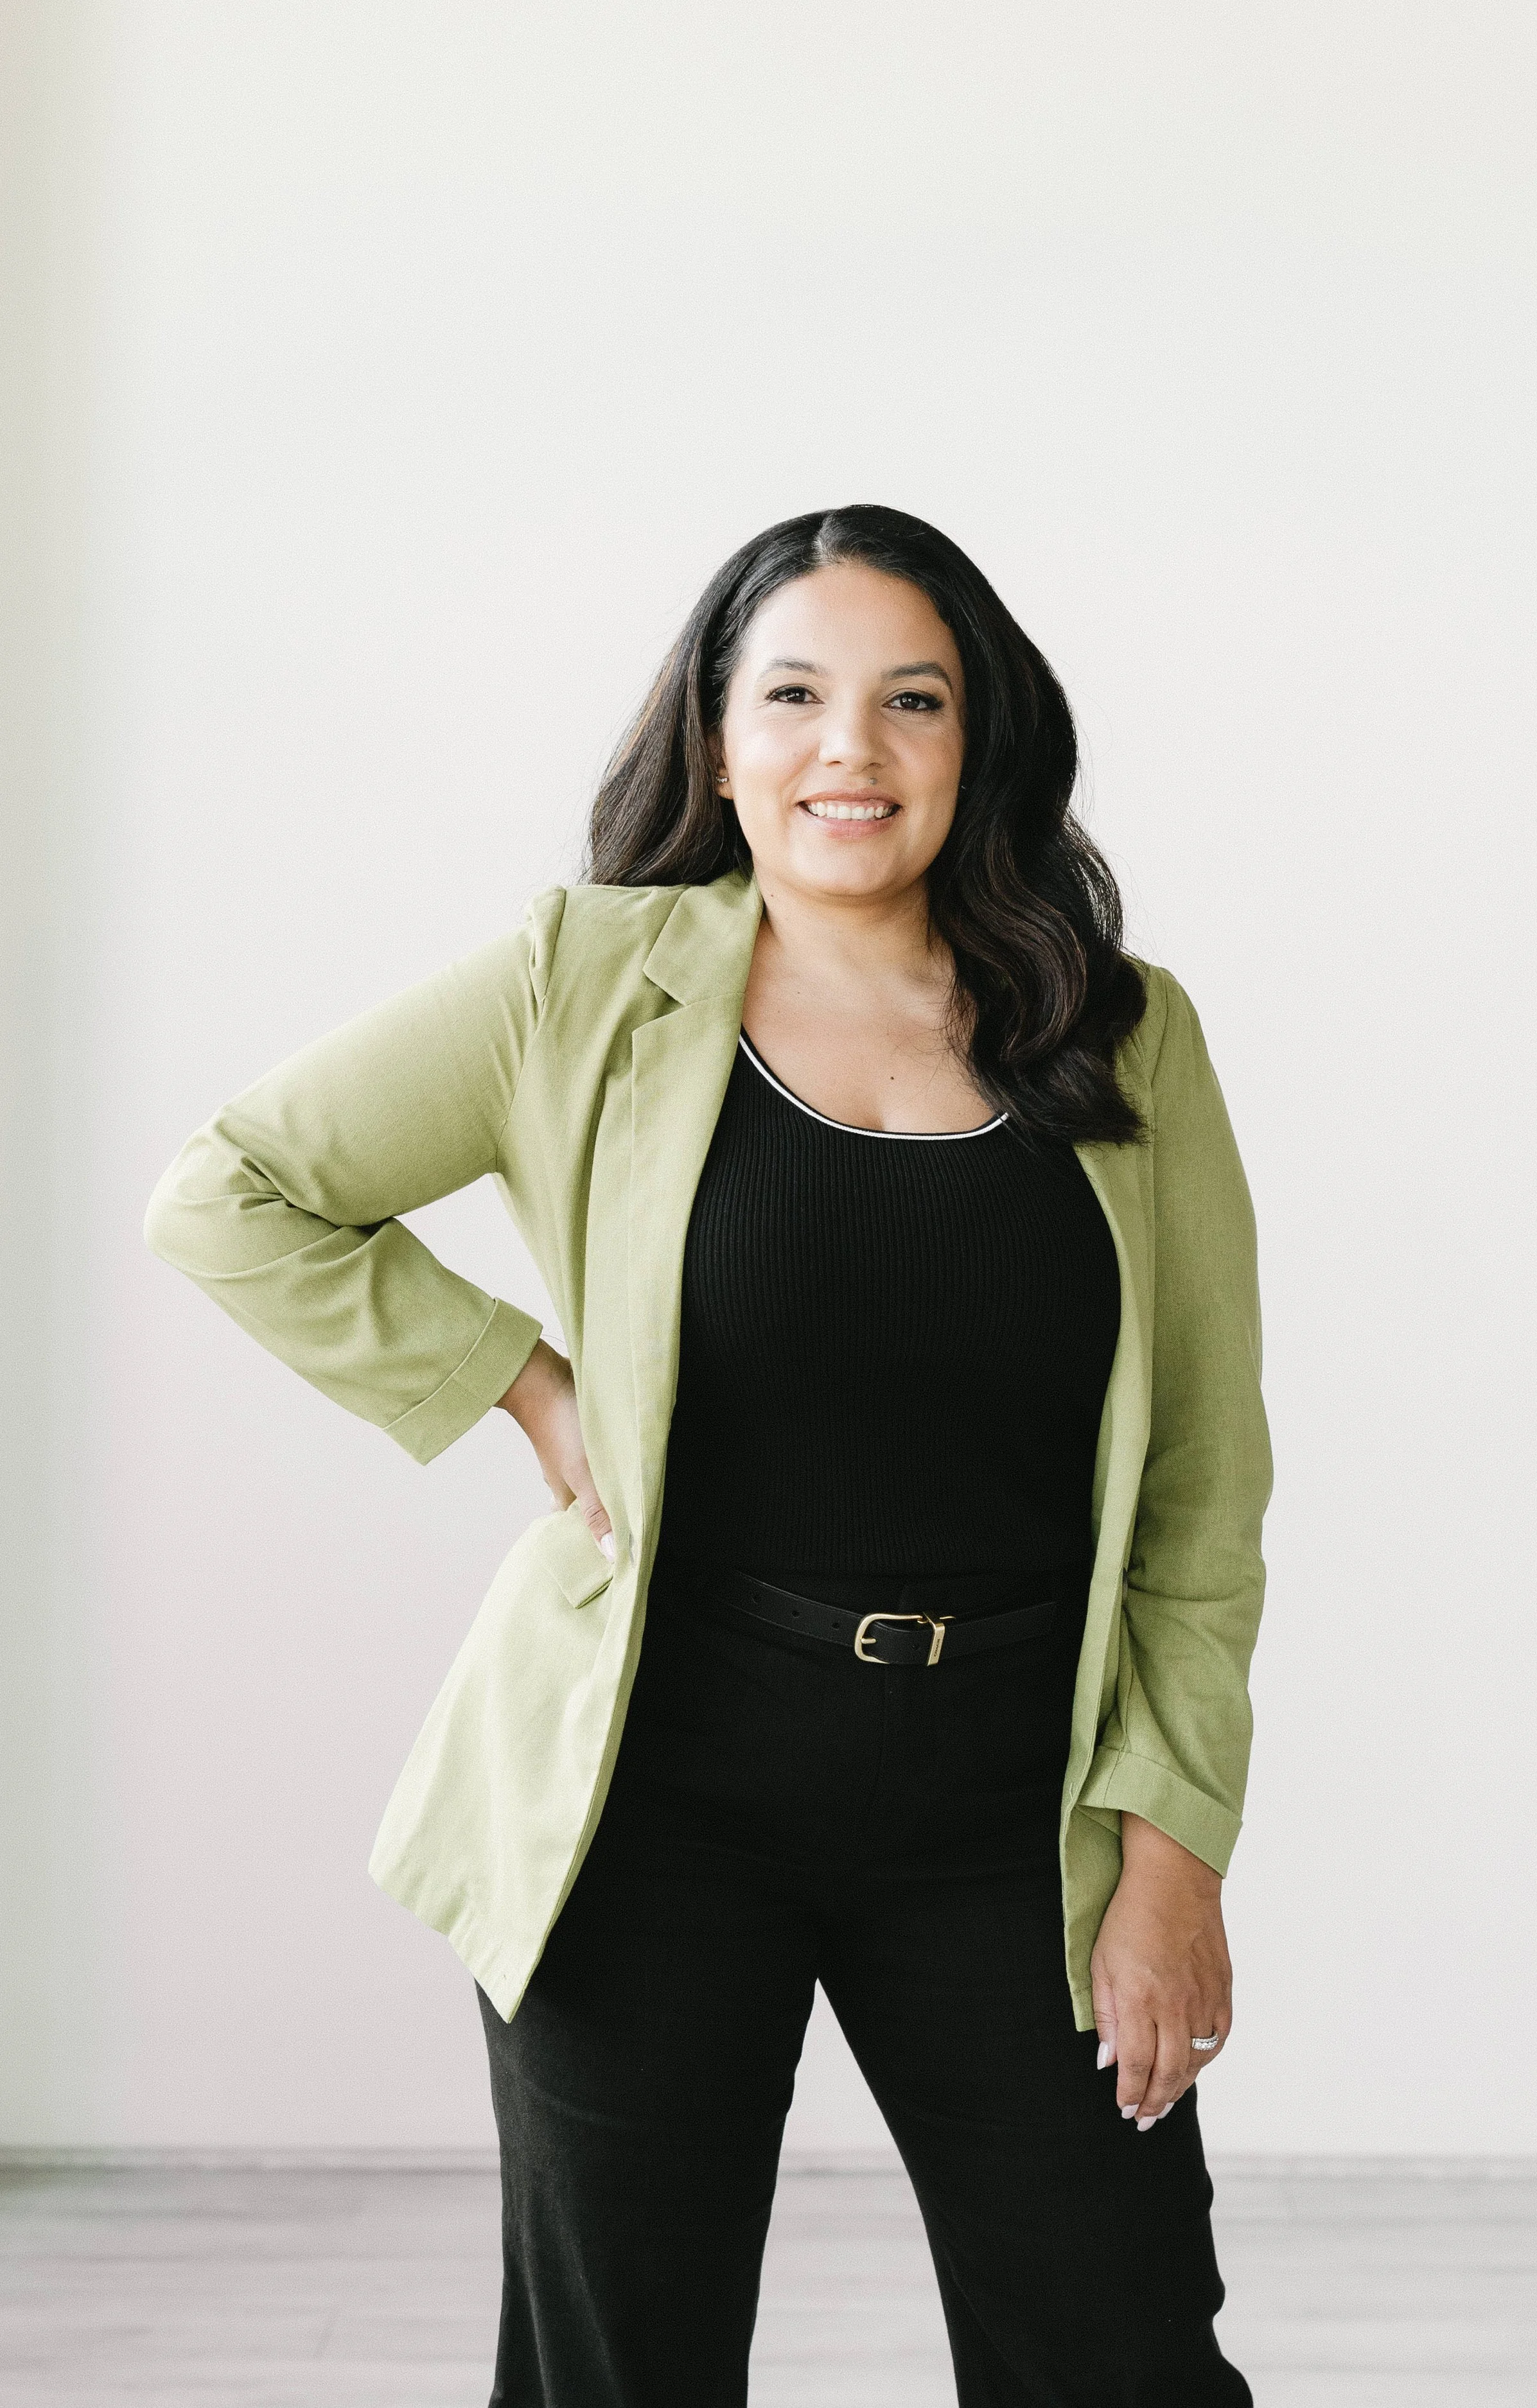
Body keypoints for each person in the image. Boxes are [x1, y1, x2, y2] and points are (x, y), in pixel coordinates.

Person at [146, 504, 1272, 2406]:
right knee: (625, 2370)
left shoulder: (1124, 1035)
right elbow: (234, 1190)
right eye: (794, 696)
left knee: (1122, 2351)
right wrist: (517, 1379)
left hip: (1011, 1797)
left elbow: (1202, 1492)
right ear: (718, 738)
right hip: (652, 1784)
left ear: (977, 736)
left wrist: (1172, 1851)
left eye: (910, 698)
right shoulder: (577, 982)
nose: (851, 746)